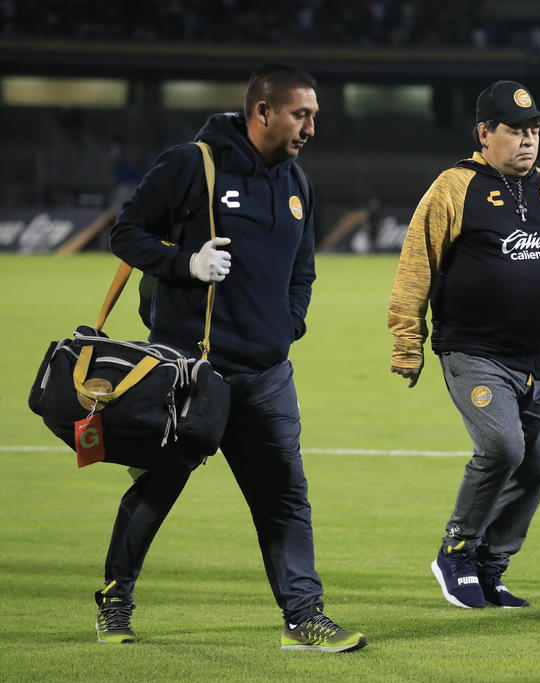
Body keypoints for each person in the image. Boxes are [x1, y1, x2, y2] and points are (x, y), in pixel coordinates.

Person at [98, 64, 367, 652]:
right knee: (158, 487)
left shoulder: (298, 183)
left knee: (284, 497)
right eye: (301, 115)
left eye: (314, 116)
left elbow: (303, 272)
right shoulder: (193, 164)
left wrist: (287, 326)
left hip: (266, 377)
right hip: (191, 373)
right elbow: (126, 233)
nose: (311, 129)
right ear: (263, 112)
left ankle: (303, 618)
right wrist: (185, 264)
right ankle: (115, 600)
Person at [388, 80, 540, 609]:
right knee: (504, 448)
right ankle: (456, 551)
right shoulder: (453, 188)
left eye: (533, 130)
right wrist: (407, 342)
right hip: (474, 352)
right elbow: (416, 265)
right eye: (515, 130)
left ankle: (491, 567)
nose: (528, 140)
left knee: (535, 467)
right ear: (484, 133)